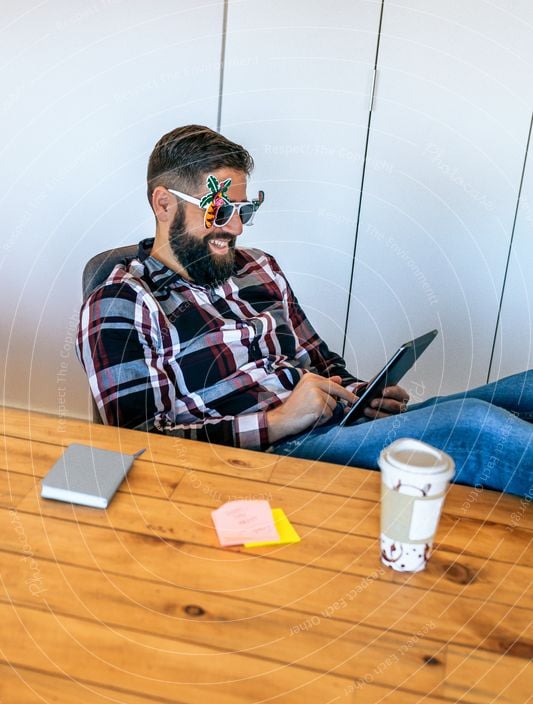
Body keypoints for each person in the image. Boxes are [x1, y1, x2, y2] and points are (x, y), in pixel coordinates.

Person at [76, 125, 532, 498]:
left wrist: (359, 393)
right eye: (220, 209)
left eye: (243, 209)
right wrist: (276, 421)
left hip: (335, 424)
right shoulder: (123, 302)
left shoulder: (260, 268)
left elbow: (321, 361)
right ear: (163, 203)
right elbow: (136, 441)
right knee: (476, 426)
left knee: (524, 389)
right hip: (276, 454)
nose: (235, 226)